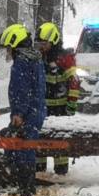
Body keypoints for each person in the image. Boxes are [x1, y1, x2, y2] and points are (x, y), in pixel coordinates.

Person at [0, 23, 46, 196]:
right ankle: (21, 182)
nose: (8, 52)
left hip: (27, 113)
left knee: (23, 147)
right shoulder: (35, 58)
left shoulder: (22, 63)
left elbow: (21, 90)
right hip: (35, 111)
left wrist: (18, 113)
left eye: (9, 48)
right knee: (18, 144)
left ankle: (26, 188)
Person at [34, 22, 80, 175]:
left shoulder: (65, 58)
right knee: (39, 139)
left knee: (59, 140)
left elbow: (74, 82)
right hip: (41, 109)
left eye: (44, 43)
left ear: (53, 41)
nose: (41, 46)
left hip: (60, 109)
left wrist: (71, 104)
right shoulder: (38, 57)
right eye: (39, 43)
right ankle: (39, 168)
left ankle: (61, 170)